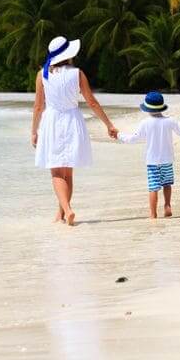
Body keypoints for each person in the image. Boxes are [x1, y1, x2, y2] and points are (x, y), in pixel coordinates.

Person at [32, 36, 118, 225]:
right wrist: (108, 124)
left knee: (56, 172)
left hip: (52, 122)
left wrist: (34, 131)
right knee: (67, 172)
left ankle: (67, 210)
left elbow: (38, 106)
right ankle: (61, 214)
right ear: (68, 54)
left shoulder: (42, 75)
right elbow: (92, 102)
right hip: (72, 120)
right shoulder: (77, 73)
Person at [117, 91, 180, 219]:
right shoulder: (170, 121)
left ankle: (153, 214)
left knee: (153, 188)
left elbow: (133, 139)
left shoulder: (145, 123)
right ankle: (167, 205)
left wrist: (118, 135)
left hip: (152, 161)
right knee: (167, 184)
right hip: (167, 160)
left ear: (147, 108)